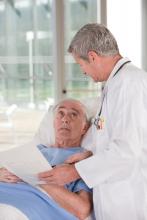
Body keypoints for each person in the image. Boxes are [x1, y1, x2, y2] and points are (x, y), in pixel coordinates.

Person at [38, 23, 147, 220]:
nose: (84, 72)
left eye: (81, 65)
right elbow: (111, 138)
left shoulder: (129, 84)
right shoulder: (116, 84)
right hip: (114, 195)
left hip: (127, 198)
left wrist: (74, 172)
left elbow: (127, 150)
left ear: (93, 56)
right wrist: (88, 155)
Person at [0, 99, 93, 220]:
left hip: (24, 202)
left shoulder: (82, 159)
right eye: (61, 114)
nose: (65, 119)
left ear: (84, 128)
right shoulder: (37, 150)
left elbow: (82, 209)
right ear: (54, 123)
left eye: (73, 114)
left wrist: (38, 179)